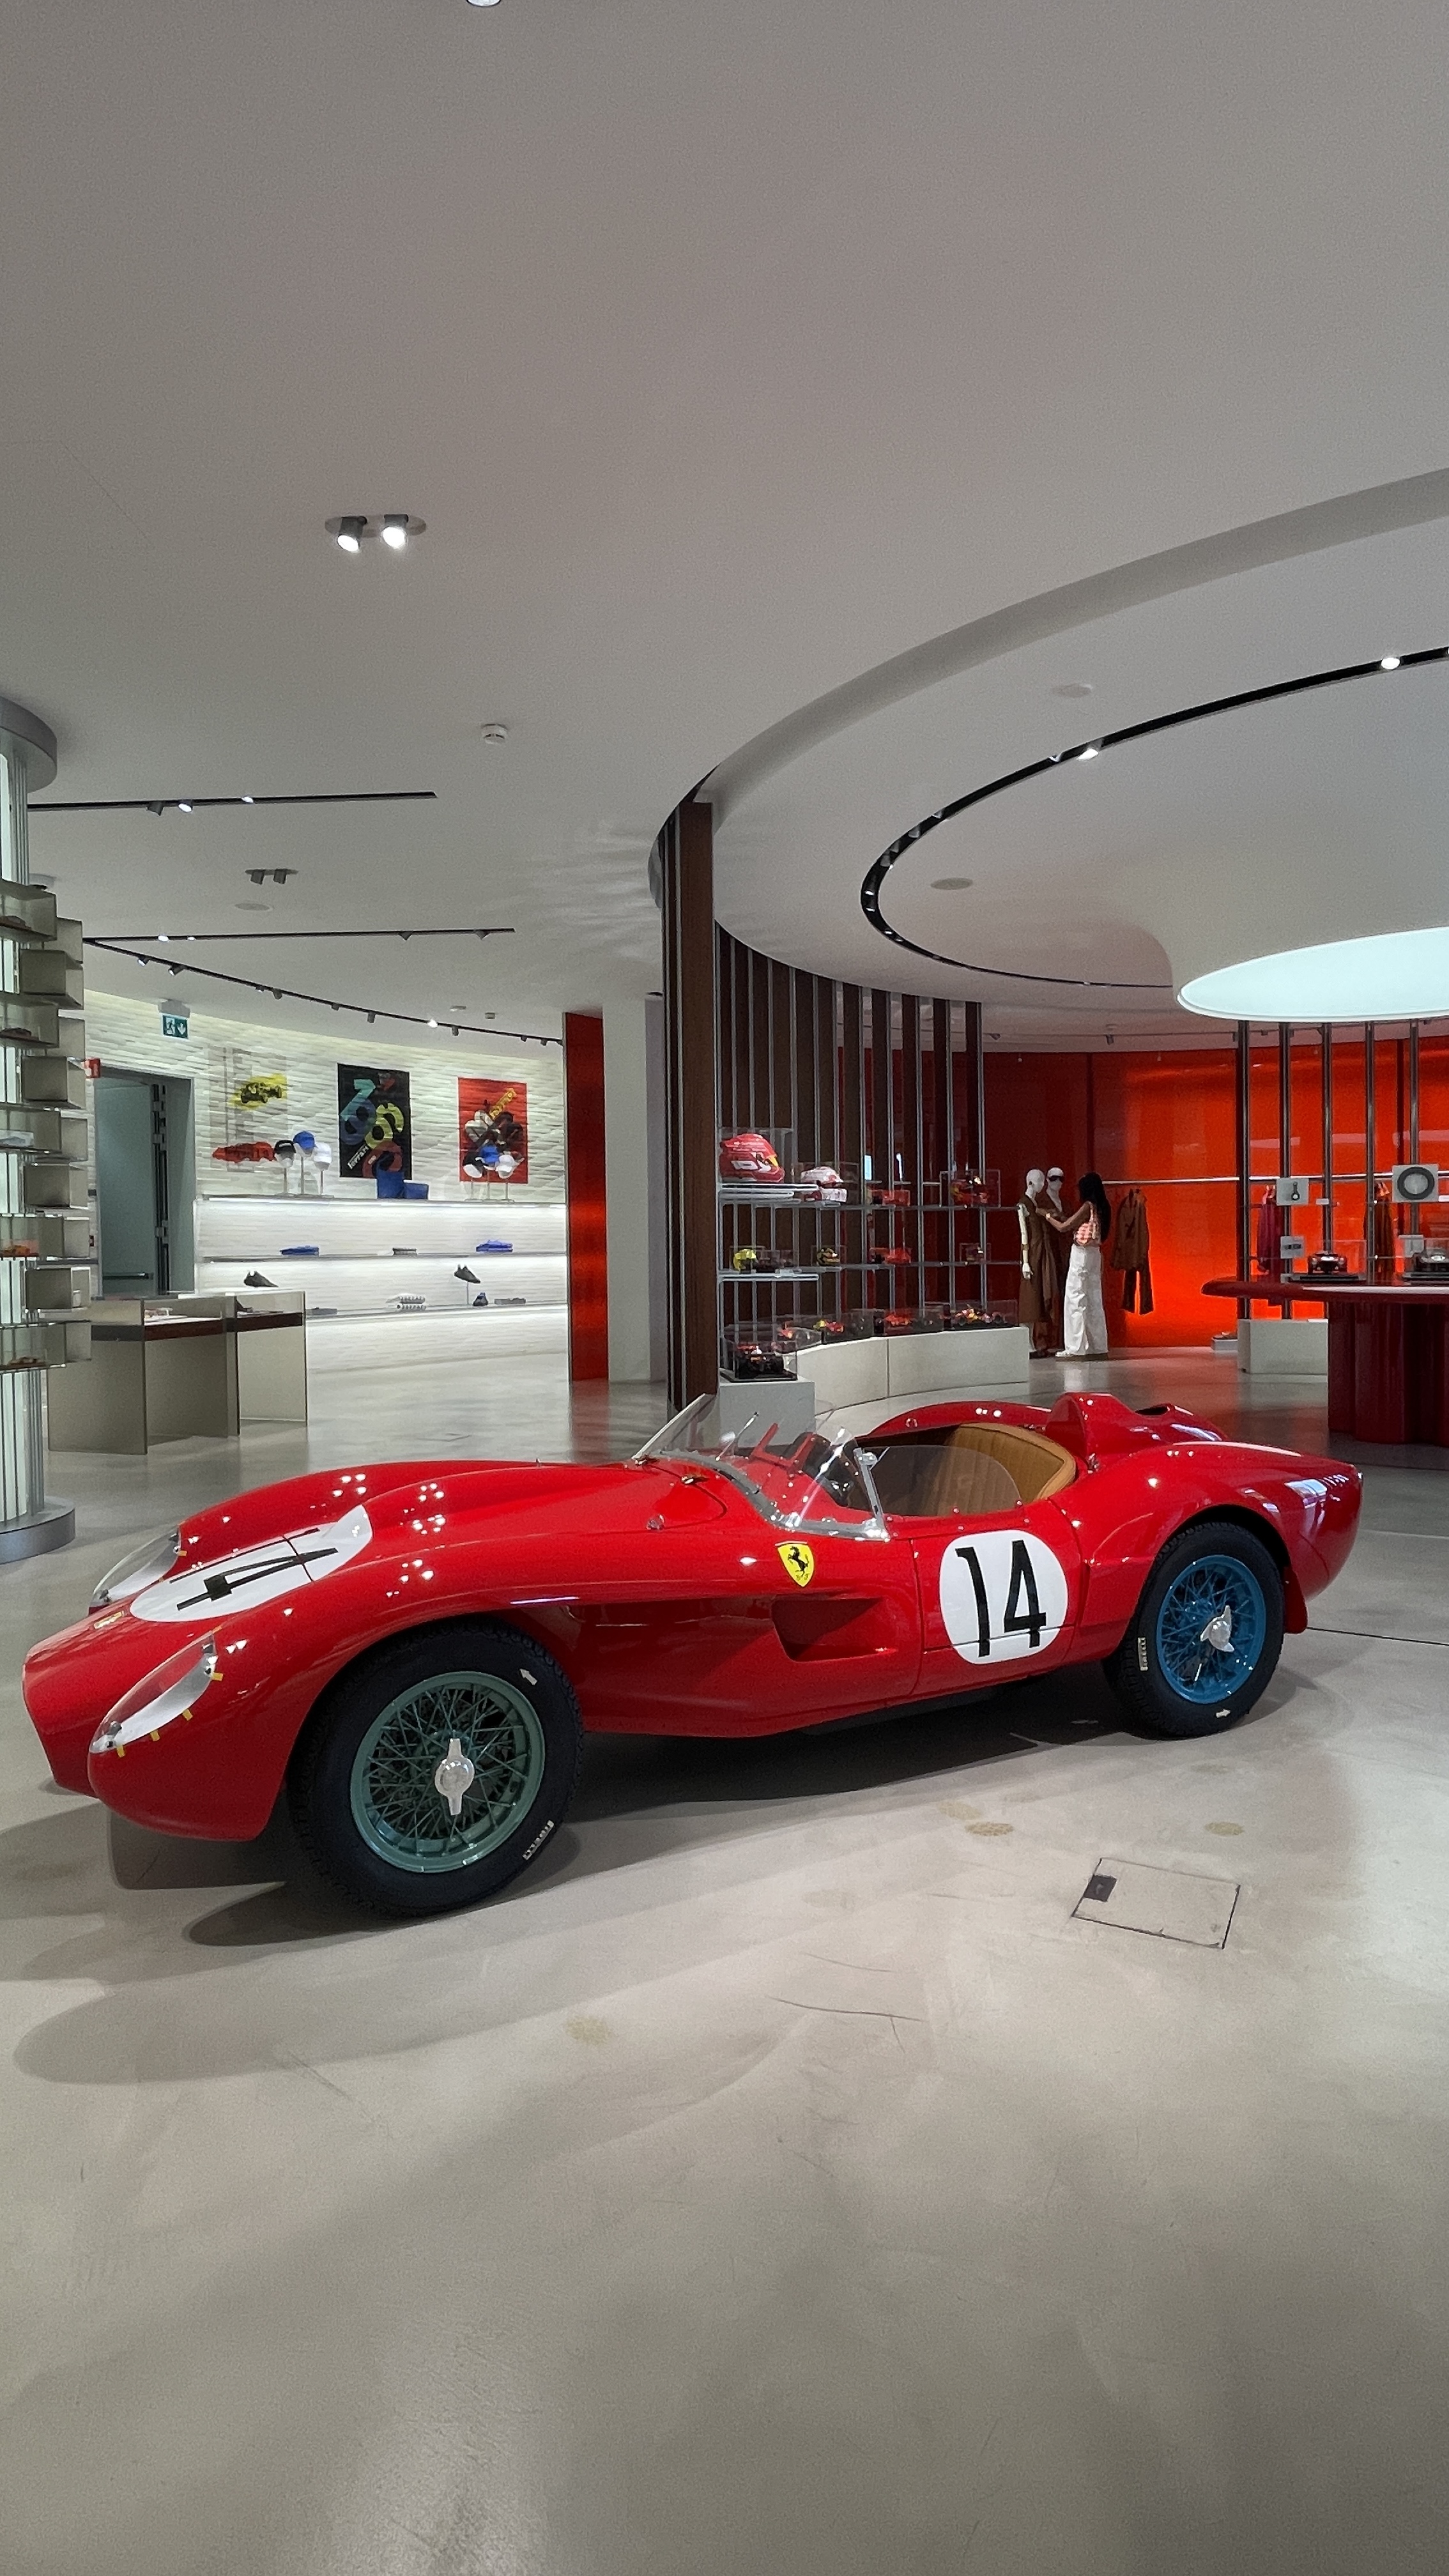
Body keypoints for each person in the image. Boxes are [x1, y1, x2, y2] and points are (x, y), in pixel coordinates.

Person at [1043, 1172, 1113, 1358]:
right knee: (1094, 1300)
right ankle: (1098, 1347)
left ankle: (1075, 1348)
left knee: (1075, 1299)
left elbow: (1064, 1227)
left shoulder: (1087, 1206)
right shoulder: (1103, 1207)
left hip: (1081, 1254)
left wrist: (1047, 1216)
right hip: (1095, 1254)